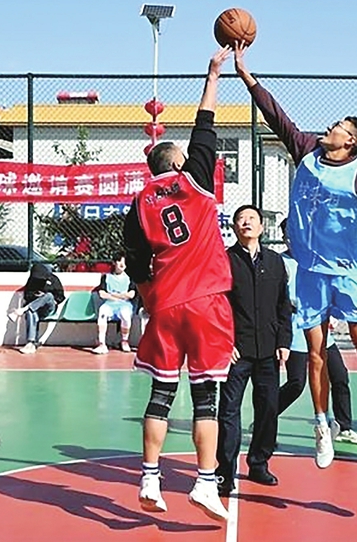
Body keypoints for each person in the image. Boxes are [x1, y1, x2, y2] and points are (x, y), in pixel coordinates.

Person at [234, 43, 357, 470]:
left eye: (339, 126)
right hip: (310, 273)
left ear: (350, 142)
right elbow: (277, 117)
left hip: (346, 272)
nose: (330, 127)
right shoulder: (307, 151)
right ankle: (321, 426)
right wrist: (246, 75)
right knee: (315, 355)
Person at [123, 48, 235, 522]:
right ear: (182, 161)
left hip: (166, 304)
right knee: (207, 398)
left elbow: (136, 264)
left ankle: (150, 477)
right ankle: (205, 483)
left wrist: (152, 300)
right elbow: (205, 123)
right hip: (207, 302)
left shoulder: (139, 202)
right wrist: (213, 74)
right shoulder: (197, 181)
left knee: (161, 395)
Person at [216, 205, 291, 496]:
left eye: (251, 219)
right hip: (236, 351)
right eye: (240, 219)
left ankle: (259, 463)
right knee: (229, 411)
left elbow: (283, 305)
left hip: (269, 350)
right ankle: (225, 471)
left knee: (269, 408)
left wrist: (283, 341)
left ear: (261, 227)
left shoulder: (275, 262)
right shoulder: (224, 261)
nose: (246, 223)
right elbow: (217, 305)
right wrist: (225, 342)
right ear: (234, 227)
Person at [277, 219, 357, 446]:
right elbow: (278, 299)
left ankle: (344, 427)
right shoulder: (281, 263)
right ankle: (265, 418)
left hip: (321, 330)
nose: (292, 238)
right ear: (284, 238)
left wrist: (332, 311)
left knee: (340, 376)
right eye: (288, 235)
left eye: (296, 233)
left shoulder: (317, 260)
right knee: (296, 383)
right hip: (296, 331)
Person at [10, 263, 65, 355]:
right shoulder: (32, 280)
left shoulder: (53, 279)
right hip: (35, 309)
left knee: (48, 295)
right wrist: (36, 296)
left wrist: (47, 297)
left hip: (49, 308)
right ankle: (30, 343)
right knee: (30, 312)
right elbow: (27, 296)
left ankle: (23, 309)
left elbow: (61, 296)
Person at [92, 252, 137, 354]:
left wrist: (113, 295)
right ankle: (102, 344)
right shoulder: (106, 277)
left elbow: (131, 294)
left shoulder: (130, 278)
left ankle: (124, 341)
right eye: (119, 261)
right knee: (102, 311)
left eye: (124, 262)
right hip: (110, 304)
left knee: (125, 315)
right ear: (114, 262)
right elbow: (102, 293)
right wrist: (119, 296)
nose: (122, 264)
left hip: (124, 305)